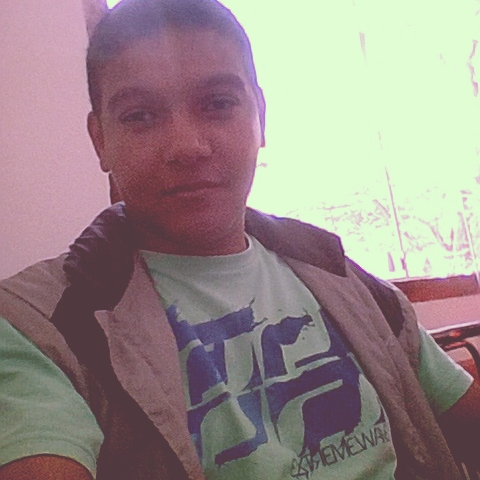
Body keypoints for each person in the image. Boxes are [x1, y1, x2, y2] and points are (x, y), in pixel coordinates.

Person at [1, 0, 479, 478]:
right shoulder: (41, 326)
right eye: (140, 115)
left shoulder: (337, 272)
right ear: (100, 139)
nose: (187, 146)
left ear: (260, 117)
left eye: (217, 103)